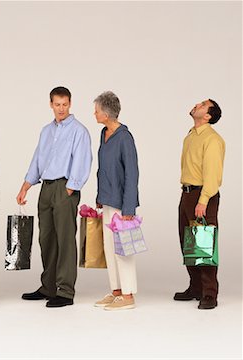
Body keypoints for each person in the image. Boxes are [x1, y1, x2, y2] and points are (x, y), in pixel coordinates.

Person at [16, 86, 92, 308]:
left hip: (64, 188)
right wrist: (26, 186)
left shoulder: (79, 131)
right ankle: (48, 286)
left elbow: (82, 160)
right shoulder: (46, 131)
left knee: (65, 240)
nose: (61, 108)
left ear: (70, 104)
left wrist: (71, 188)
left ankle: (66, 291)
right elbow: (38, 159)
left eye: (65, 104)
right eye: (57, 104)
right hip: (46, 189)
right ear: (51, 104)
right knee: (46, 239)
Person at [174, 99, 225, 310]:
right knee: (188, 242)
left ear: (208, 116)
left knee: (204, 244)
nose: (197, 104)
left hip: (202, 195)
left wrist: (203, 200)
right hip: (187, 193)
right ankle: (195, 287)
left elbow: (212, 174)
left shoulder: (212, 140)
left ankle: (209, 293)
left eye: (203, 104)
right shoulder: (191, 136)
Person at [92, 91, 140, 311]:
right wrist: (99, 197)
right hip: (108, 200)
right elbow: (103, 170)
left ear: (107, 113)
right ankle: (116, 291)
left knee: (123, 249)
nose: (95, 113)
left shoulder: (124, 138)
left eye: (97, 110)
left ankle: (128, 295)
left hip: (122, 204)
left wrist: (129, 206)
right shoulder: (104, 134)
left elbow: (132, 173)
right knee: (110, 249)